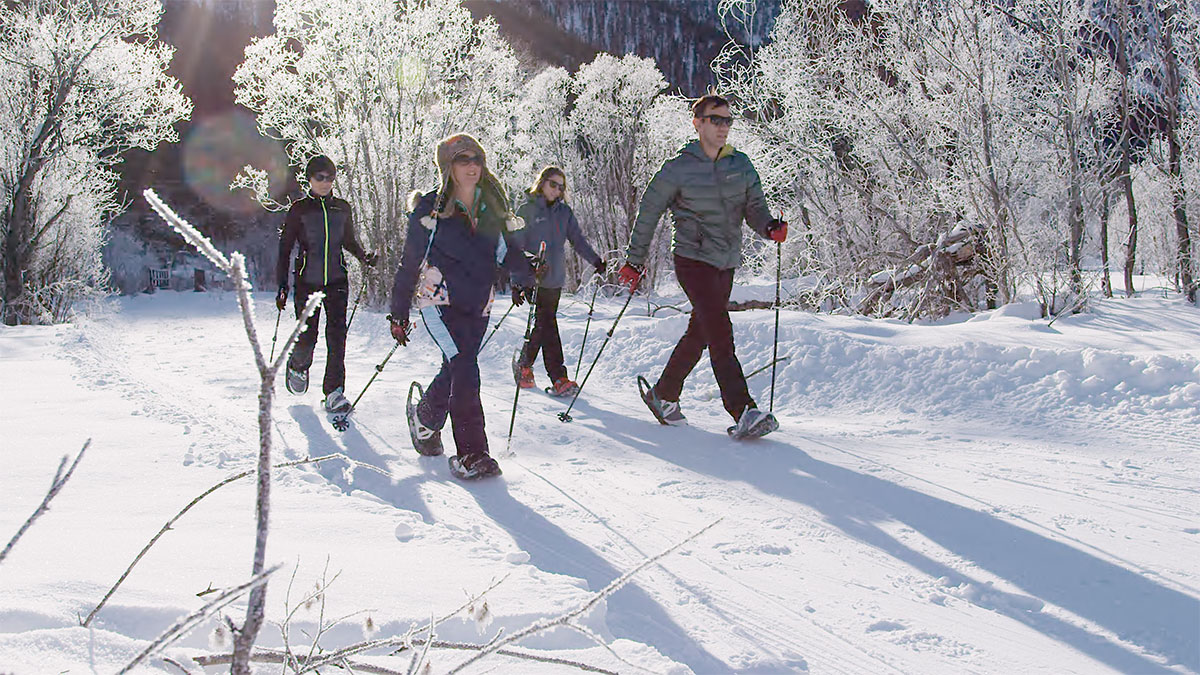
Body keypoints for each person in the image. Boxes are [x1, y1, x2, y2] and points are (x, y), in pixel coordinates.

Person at [618, 94, 787, 439]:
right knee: (720, 332)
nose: (724, 126)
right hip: (692, 260)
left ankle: (664, 394)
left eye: (728, 120)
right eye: (716, 119)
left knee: (701, 333)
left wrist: (769, 226)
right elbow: (648, 212)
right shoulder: (678, 168)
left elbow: (755, 207)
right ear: (698, 123)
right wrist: (635, 261)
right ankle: (743, 410)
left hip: (725, 263)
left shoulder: (741, 165)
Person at [389, 134, 534, 480]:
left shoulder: (491, 205)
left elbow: (504, 251)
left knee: (458, 366)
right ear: (447, 166)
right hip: (439, 299)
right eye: (462, 159)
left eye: (477, 159)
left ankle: (425, 419)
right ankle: (472, 452)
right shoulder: (430, 209)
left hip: (478, 300)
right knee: (465, 364)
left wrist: (527, 268)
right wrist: (398, 311)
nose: (472, 165)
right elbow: (410, 261)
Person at [276, 155, 378, 413]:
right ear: (309, 179)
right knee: (308, 337)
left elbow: (349, 240)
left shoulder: (342, 208)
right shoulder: (299, 209)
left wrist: (364, 257)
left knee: (337, 338)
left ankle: (334, 392)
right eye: (320, 178)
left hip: (337, 280)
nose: (325, 182)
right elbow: (285, 247)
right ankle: (298, 365)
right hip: (307, 282)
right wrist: (282, 285)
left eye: (330, 178)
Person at [512, 166, 605, 397]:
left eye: (561, 187)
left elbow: (578, 241)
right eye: (553, 184)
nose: (557, 190)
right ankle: (558, 377)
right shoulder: (527, 210)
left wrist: (595, 260)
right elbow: (515, 247)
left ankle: (524, 366)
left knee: (543, 324)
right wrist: (517, 281)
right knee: (547, 324)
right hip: (533, 278)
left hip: (554, 279)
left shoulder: (564, 213)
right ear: (542, 182)